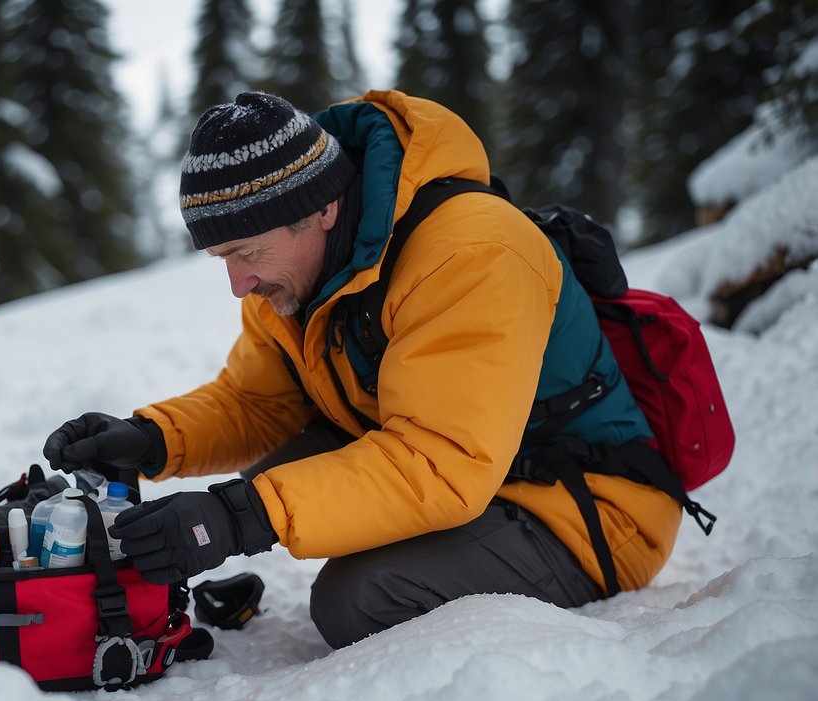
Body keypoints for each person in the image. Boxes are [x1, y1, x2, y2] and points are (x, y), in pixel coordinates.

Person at [43, 90, 682, 648]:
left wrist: (240, 517)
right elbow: (257, 404)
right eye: (221, 259)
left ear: (320, 209)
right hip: (472, 473)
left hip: (582, 506)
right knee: (271, 478)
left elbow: (443, 459)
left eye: (246, 252)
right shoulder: (293, 278)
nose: (238, 284)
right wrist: (152, 438)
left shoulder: (471, 252)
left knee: (357, 597)